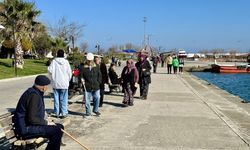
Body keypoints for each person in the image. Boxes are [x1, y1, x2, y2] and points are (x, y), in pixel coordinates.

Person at [14, 75, 64, 150]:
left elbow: (36, 113)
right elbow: (32, 119)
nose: (47, 87)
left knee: (60, 127)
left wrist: (47, 120)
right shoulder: (34, 96)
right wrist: (46, 123)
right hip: (26, 129)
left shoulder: (35, 92)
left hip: (30, 125)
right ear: (43, 87)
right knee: (56, 131)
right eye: (47, 86)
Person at [48, 49, 72, 118]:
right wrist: (68, 80)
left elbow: (49, 70)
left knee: (56, 98)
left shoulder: (54, 62)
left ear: (57, 54)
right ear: (63, 54)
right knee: (64, 99)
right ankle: (64, 112)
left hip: (56, 83)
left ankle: (57, 112)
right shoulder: (66, 62)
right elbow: (69, 73)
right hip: (64, 83)